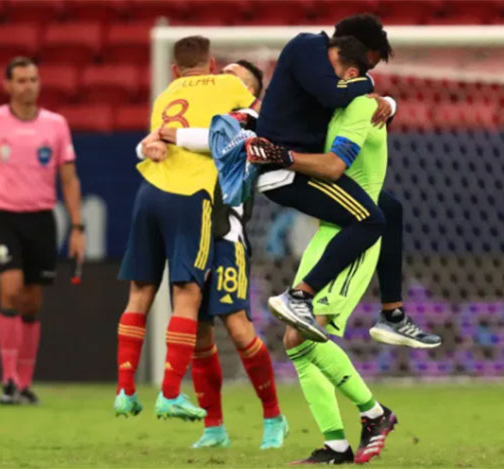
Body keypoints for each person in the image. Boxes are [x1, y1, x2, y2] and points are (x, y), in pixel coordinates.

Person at [249, 36, 396, 464]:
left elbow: (332, 167)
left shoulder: (360, 106)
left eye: (327, 64)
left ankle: (376, 414)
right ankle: (336, 445)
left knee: (307, 328)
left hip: (357, 233)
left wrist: (282, 157)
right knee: (296, 338)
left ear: (349, 72)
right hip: (331, 229)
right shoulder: (329, 105)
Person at [254, 14, 440, 348]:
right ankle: (299, 296)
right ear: (350, 49)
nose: (367, 74)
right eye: (365, 66)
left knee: (390, 208)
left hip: (300, 166)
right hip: (288, 171)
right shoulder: (307, 46)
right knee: (370, 220)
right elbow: (334, 94)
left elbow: (344, 100)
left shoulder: (332, 81)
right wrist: (371, 88)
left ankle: (393, 314)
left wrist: (388, 103)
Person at [139, 61, 288, 450]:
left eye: (236, 78)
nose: (225, 79)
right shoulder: (196, 119)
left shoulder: (249, 119)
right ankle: (215, 427)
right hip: (193, 226)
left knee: (236, 326)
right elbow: (153, 144)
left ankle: (274, 417)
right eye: (224, 72)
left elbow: (219, 139)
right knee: (201, 335)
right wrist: (153, 142)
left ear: (250, 91)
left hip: (226, 233)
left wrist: (173, 134)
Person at [114, 36, 258, 422]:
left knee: (140, 291)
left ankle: (125, 391)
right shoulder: (229, 85)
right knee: (187, 295)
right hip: (191, 195)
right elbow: (255, 123)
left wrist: (147, 147)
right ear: (212, 63)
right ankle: (171, 393)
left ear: (176, 69)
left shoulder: (166, 94)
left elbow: (155, 142)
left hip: (149, 191)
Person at [0, 56, 85, 405]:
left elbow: (69, 179)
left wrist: (77, 227)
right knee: (10, 290)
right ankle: (8, 380)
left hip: (43, 219)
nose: (29, 85)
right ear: (8, 86)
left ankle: (24, 384)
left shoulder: (56, 125)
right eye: (22, 80)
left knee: (31, 301)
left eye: (34, 79)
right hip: (4, 218)